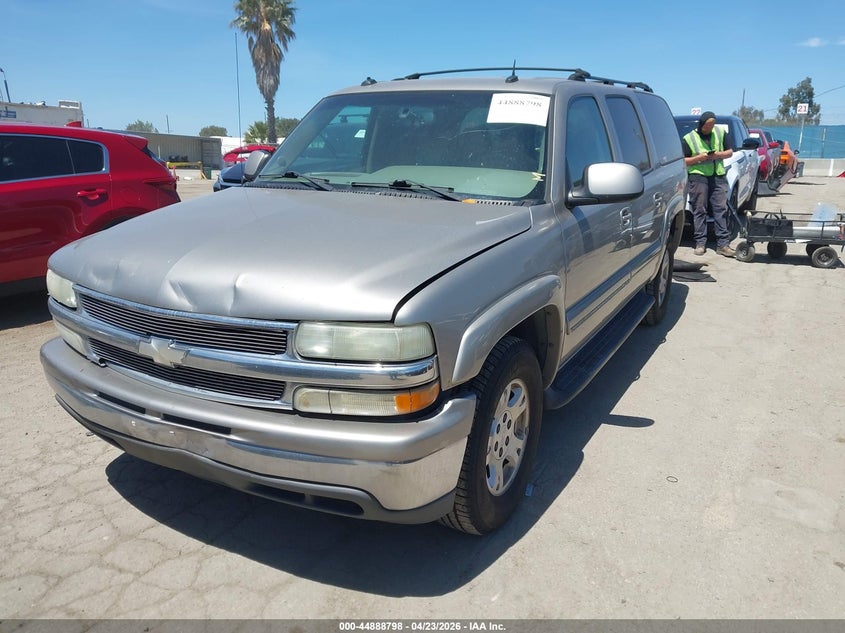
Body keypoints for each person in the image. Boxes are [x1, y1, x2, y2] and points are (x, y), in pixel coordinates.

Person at [682, 111, 735, 257]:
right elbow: (683, 160)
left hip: (718, 175)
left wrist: (717, 155)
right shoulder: (689, 138)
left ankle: (723, 245)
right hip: (698, 177)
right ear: (701, 124)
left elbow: (730, 152)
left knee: (721, 210)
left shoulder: (720, 133)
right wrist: (698, 158)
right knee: (699, 210)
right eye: (707, 126)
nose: (710, 128)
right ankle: (700, 243)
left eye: (712, 125)